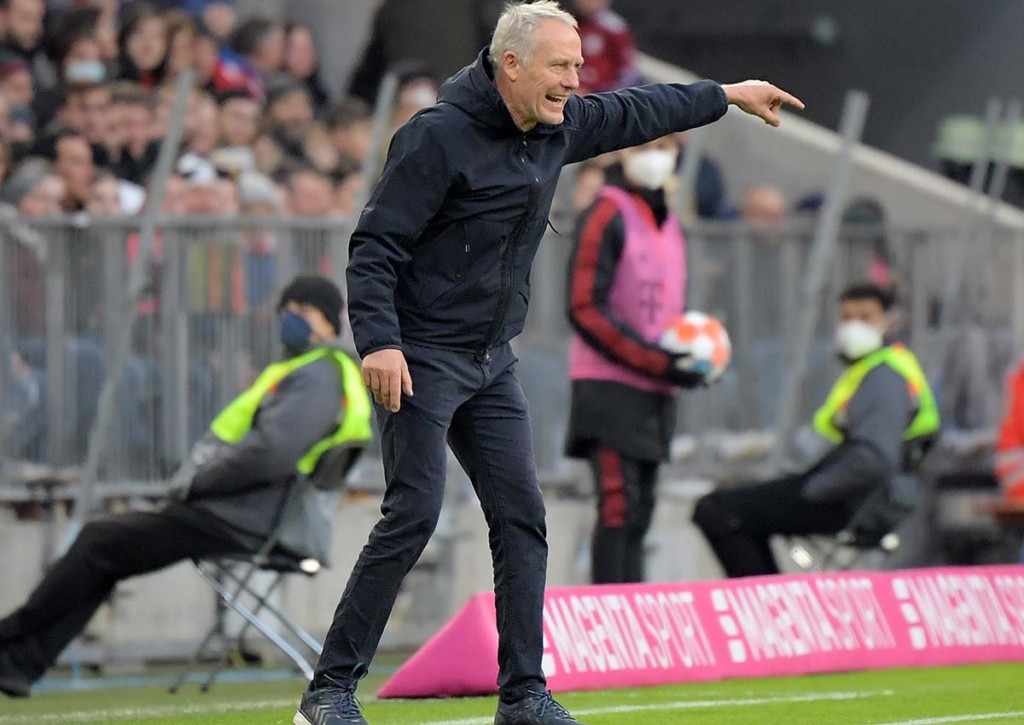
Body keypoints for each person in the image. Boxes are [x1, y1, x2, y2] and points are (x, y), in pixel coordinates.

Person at [296, 3, 803, 724]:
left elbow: (638, 110)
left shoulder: (556, 124)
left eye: (576, 66)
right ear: (511, 65)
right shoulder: (437, 136)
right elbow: (374, 247)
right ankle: (329, 692)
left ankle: (523, 694)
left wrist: (725, 96)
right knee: (414, 511)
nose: (576, 78)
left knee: (522, 516)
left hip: (490, 360)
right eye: (561, 65)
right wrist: (379, 339)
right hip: (421, 357)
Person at [0, 275, 372, 698]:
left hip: (240, 517)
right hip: (250, 515)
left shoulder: (318, 375)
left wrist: (198, 483)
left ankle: (12, 642)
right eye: (284, 313)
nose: (288, 322)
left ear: (326, 322)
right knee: (106, 550)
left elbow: (270, 454)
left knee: (99, 542)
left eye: (299, 313)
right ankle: (17, 661)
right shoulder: (319, 372)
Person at [692, 283, 940, 578]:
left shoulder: (884, 376)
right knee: (740, 513)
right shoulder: (870, 369)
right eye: (847, 317)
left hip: (853, 498)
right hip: (854, 492)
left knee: (717, 511)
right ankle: (768, 594)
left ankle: (767, 601)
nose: (853, 326)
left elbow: (873, 459)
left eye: (865, 317)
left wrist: (810, 490)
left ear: (890, 321)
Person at [565, 134, 705, 584]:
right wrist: (654, 360)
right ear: (625, 150)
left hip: (656, 389)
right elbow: (585, 305)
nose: (658, 156)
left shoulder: (668, 222)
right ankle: (610, 619)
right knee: (617, 507)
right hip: (609, 385)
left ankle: (633, 617)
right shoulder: (607, 212)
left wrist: (692, 357)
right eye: (650, 145)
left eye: (668, 147)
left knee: (641, 513)